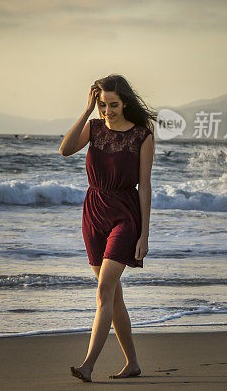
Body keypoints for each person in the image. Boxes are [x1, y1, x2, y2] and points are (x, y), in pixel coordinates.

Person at [59, 74, 156, 382]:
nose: (108, 111)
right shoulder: (94, 128)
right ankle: (133, 364)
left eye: (113, 105)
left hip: (125, 216)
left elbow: (145, 187)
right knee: (114, 296)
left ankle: (88, 365)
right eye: (103, 104)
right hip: (93, 214)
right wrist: (87, 110)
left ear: (125, 102)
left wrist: (144, 234)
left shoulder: (142, 136)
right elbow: (64, 150)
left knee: (104, 290)